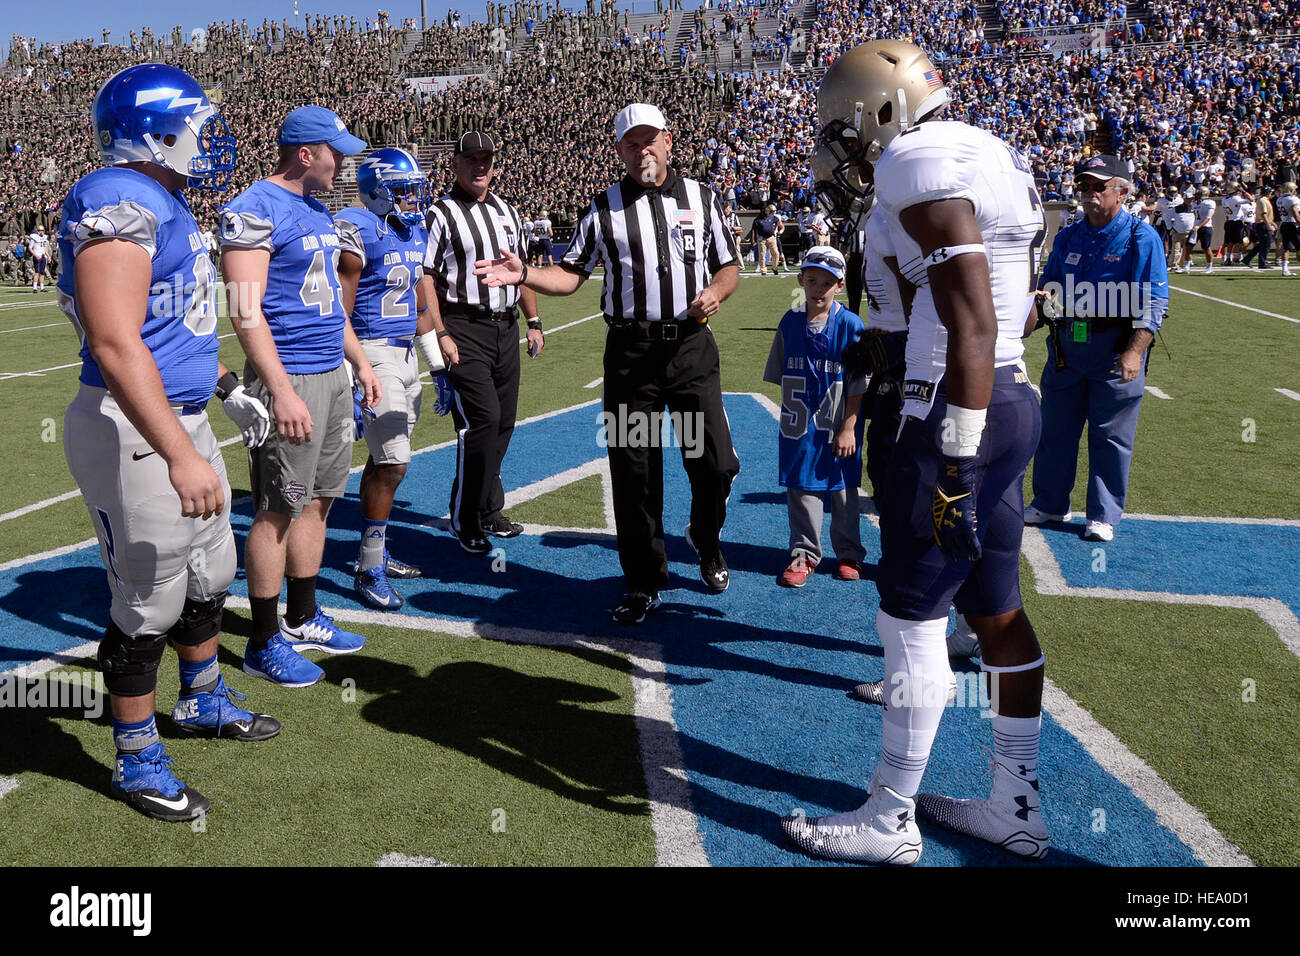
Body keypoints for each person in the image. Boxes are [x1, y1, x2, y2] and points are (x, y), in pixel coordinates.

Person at [782, 40, 1049, 864]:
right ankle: (1016, 802)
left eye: (843, 125)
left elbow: (970, 318)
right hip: (1007, 394)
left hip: (955, 410)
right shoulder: (990, 149)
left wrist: (955, 456)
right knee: (995, 606)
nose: (841, 143)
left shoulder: (917, 161)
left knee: (911, 619)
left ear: (882, 107)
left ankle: (890, 815)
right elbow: (1020, 309)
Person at [59, 63, 278, 822]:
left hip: (178, 414)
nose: (209, 137)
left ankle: (203, 700)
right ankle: (136, 756)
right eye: (197, 123)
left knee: (210, 570)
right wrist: (181, 452)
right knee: (148, 599)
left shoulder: (163, 198)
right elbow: (118, 344)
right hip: (132, 426)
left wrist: (226, 388)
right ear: (153, 129)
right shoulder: (117, 198)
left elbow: (168, 330)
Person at [474, 102, 741, 625]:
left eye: (650, 139)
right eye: (631, 142)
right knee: (635, 471)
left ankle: (705, 538)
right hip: (632, 355)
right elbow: (571, 276)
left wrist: (715, 291)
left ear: (668, 141)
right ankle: (644, 580)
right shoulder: (603, 207)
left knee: (713, 464)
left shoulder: (702, 199)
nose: (642, 150)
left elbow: (729, 267)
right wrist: (525, 272)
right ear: (619, 150)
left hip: (689, 349)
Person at [220, 105, 375, 687]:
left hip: (330, 373)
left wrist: (357, 362)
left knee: (320, 499)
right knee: (278, 508)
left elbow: (331, 305)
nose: (343, 163)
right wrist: (281, 390)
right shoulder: (255, 208)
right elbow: (243, 309)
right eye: (336, 152)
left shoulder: (315, 209)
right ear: (305, 153)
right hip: (289, 377)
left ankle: (303, 615)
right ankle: (262, 642)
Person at [1025, 154, 1169, 543]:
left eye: (1098, 186)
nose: (1089, 193)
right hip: (1067, 349)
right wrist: (1034, 316)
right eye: (1084, 186)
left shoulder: (1142, 238)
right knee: (1054, 432)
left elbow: (1154, 303)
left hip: (1113, 351)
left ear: (1121, 192)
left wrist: (1134, 352)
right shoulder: (1070, 234)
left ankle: (1103, 514)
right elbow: (1049, 288)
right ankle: (1050, 501)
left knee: (1110, 438)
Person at [423, 130, 543, 554]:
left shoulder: (508, 211)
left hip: (505, 327)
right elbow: (426, 277)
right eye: (471, 158)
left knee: (504, 421)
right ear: (454, 163)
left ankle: (490, 508)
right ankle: (466, 515)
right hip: (463, 326)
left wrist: (534, 319)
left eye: (486, 159)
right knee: (482, 420)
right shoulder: (440, 213)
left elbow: (521, 270)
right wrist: (440, 333)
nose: (480, 166)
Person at [336, 147, 435, 609]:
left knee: (382, 462)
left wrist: (436, 360)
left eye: (414, 190)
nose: (412, 199)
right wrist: (352, 371)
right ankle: (369, 567)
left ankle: (372, 552)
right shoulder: (357, 229)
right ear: (376, 192)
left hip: (406, 354)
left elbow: (417, 306)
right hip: (373, 351)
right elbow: (341, 311)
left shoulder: (411, 230)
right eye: (402, 191)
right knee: (394, 462)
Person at [763, 245, 867, 587]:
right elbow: (781, 374)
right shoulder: (790, 322)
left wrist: (849, 427)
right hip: (799, 425)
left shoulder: (850, 325)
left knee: (844, 489)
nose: (818, 288)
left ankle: (849, 552)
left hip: (838, 425)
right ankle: (804, 553)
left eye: (827, 282)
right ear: (801, 281)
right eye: (811, 280)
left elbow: (858, 382)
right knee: (801, 488)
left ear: (839, 285)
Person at [1276, 181, 1300, 277]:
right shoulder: (1293, 199)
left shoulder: (1280, 199)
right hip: (1293, 224)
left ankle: (1285, 269)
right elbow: (1294, 211)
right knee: (1299, 247)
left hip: (1284, 224)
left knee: (1286, 248)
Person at [752, 202, 782, 274]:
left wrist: (777, 230)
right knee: (762, 255)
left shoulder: (772, 217)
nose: (766, 212)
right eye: (765, 211)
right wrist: (753, 239)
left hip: (771, 237)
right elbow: (753, 229)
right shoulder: (757, 219)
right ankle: (763, 270)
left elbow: (779, 223)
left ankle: (774, 267)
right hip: (762, 239)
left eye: (767, 211)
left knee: (776, 253)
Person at [1193, 185, 1217, 274]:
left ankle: (1209, 267)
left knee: (1206, 247)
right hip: (1196, 227)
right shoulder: (1195, 203)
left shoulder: (1210, 202)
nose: (1196, 194)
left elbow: (1208, 217)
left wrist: (1198, 226)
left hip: (1205, 227)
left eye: (1199, 193)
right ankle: (1186, 265)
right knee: (1188, 246)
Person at [26, 222, 49, 292]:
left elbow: (44, 248)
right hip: (37, 256)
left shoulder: (44, 237)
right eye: (39, 230)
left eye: (42, 230)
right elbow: (30, 248)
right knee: (37, 272)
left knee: (42, 272)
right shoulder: (34, 237)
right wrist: (35, 255)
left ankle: (42, 288)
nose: (41, 232)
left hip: (43, 256)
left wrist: (48, 256)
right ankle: (35, 288)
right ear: (37, 231)